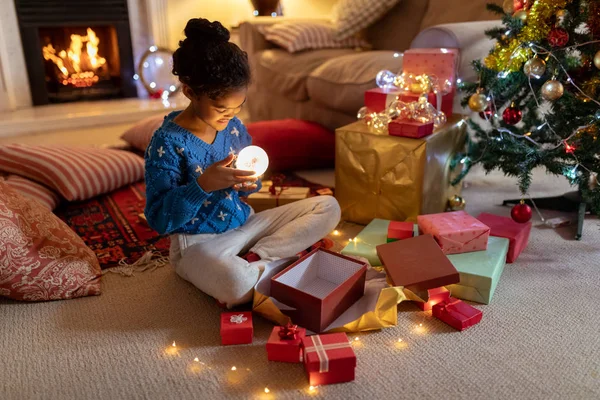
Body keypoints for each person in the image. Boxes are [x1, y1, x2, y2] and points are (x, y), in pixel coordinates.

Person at [144, 18, 341, 308]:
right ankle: (278, 266)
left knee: (328, 207)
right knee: (235, 285)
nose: (230, 117)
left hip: (246, 225)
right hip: (198, 244)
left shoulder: (234, 128)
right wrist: (202, 186)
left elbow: (246, 189)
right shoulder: (168, 143)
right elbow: (160, 219)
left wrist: (249, 183)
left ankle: (258, 260)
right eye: (221, 109)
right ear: (189, 92)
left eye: (238, 107)